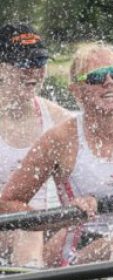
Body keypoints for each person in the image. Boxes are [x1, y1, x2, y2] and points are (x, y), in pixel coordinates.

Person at [0, 41, 113, 265]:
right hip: (84, 246)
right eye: (96, 78)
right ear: (76, 90)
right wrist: (61, 218)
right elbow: (10, 202)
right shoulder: (59, 140)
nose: (109, 83)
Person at [0, 23, 72, 265]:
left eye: (39, 62)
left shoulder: (61, 121)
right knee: (27, 230)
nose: (33, 71)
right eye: (23, 63)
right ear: (1, 68)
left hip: (43, 226)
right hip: (13, 227)